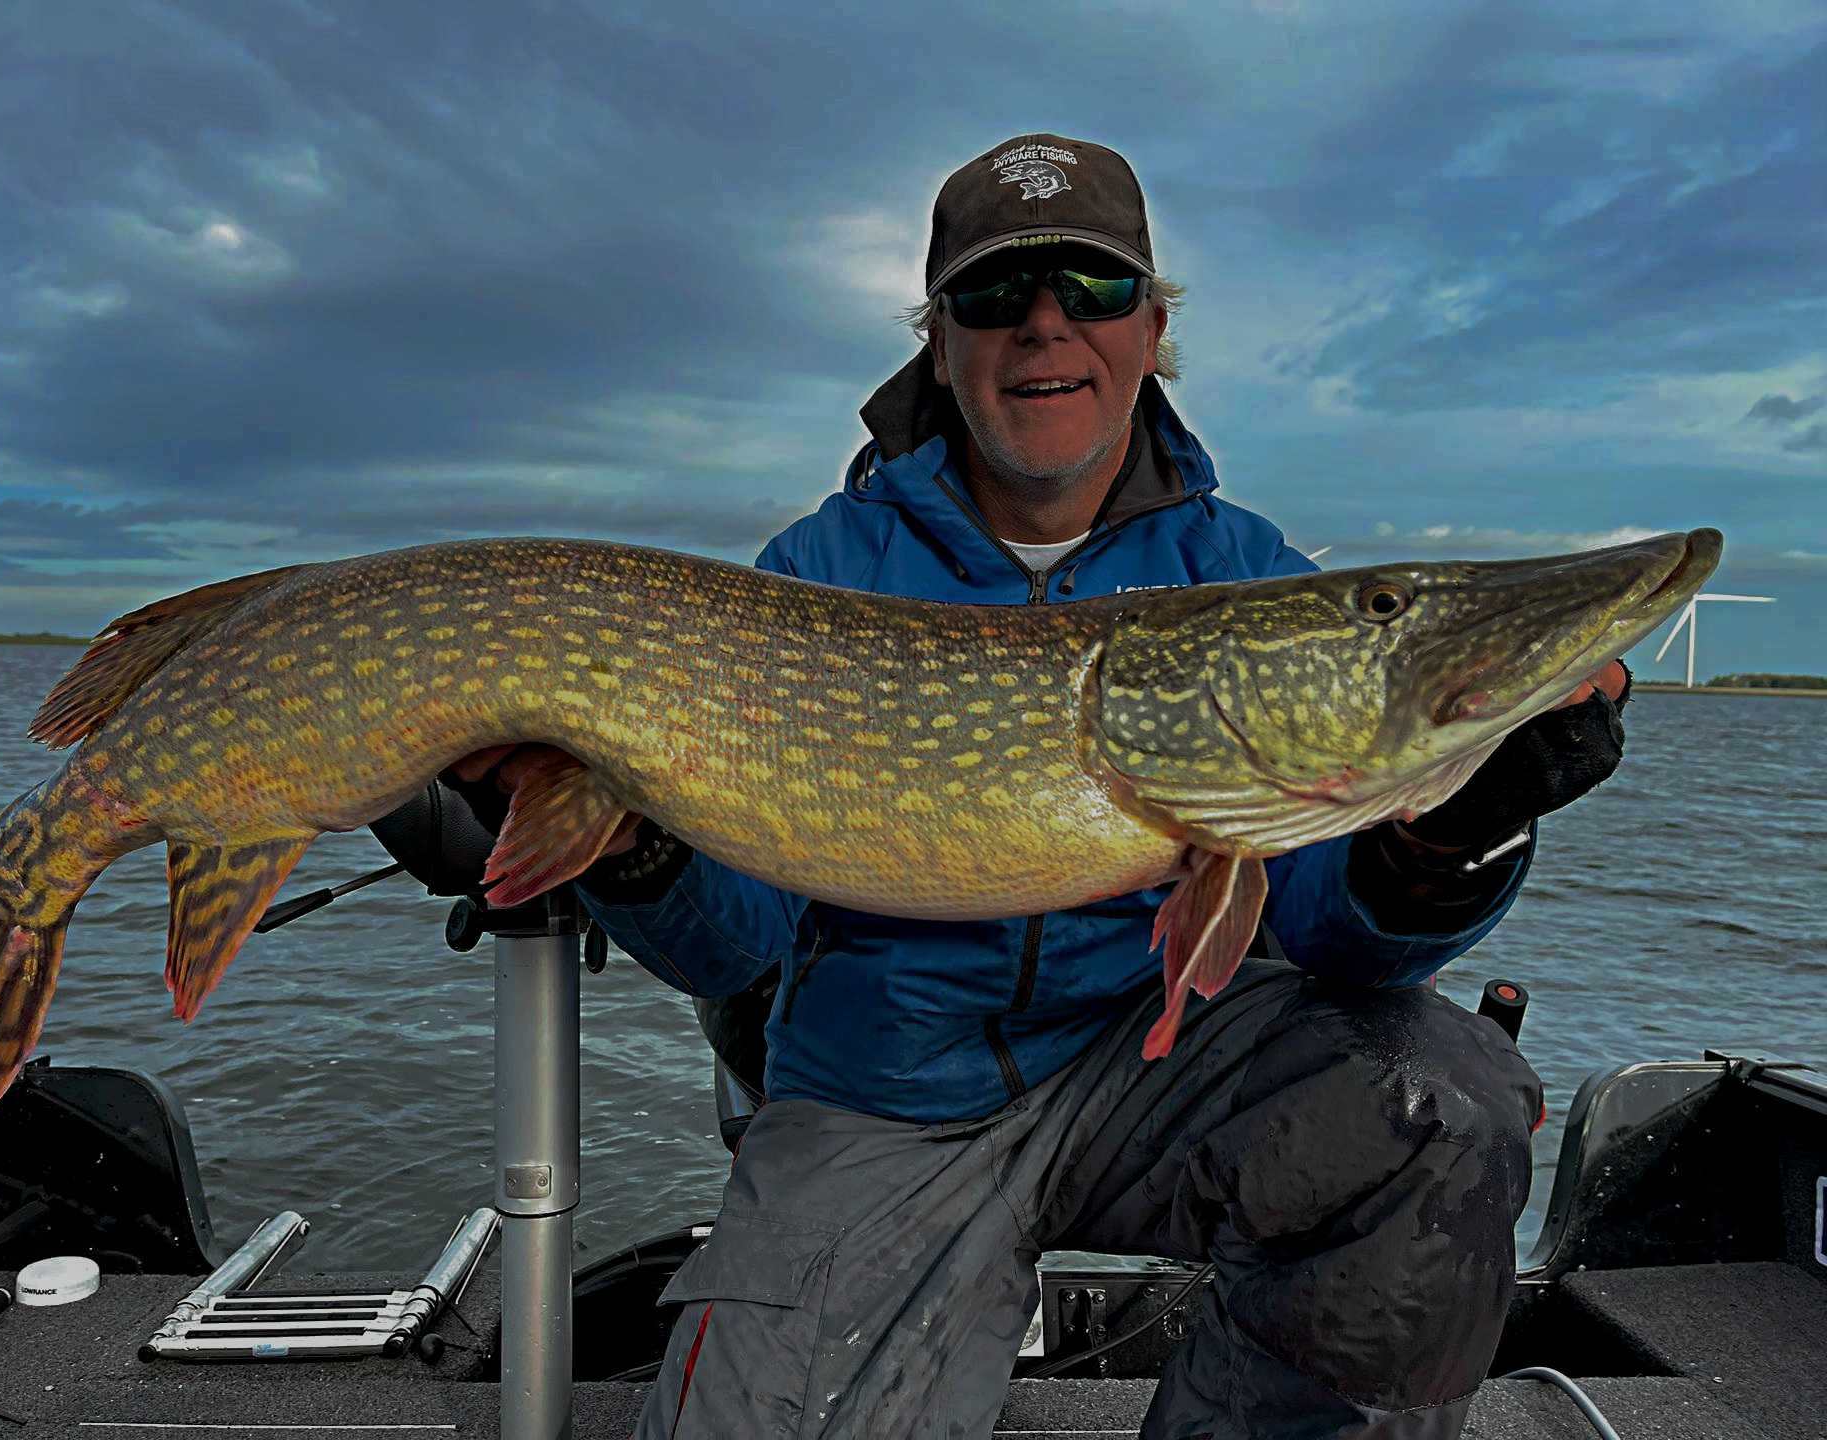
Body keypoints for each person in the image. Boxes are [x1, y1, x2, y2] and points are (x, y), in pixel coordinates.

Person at [393, 134, 1632, 1439]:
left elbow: (1333, 934)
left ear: (1153, 329)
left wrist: (1451, 840)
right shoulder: (814, 575)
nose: (1046, 326)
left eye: (1091, 291)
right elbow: (734, 944)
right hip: (880, 1091)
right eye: (996, 296)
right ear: (940, 341)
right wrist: (632, 849)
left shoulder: (1243, 571)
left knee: (1445, 1100)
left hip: (1160, 1071)